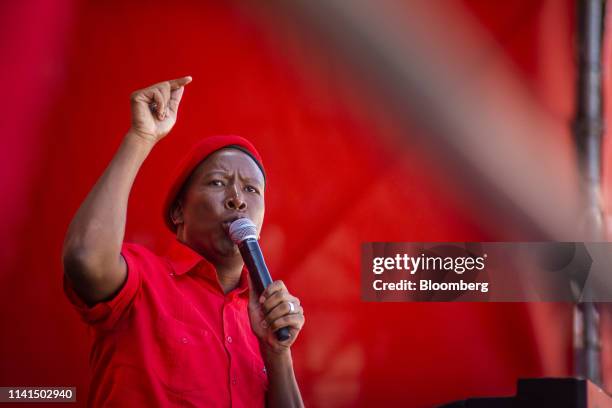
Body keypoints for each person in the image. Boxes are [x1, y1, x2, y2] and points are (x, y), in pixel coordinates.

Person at [62, 76, 305, 407]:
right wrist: (140, 137)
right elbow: (84, 258)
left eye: (251, 189)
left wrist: (278, 353)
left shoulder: (263, 319)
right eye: (219, 182)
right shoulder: (141, 279)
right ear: (179, 211)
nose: (237, 199)